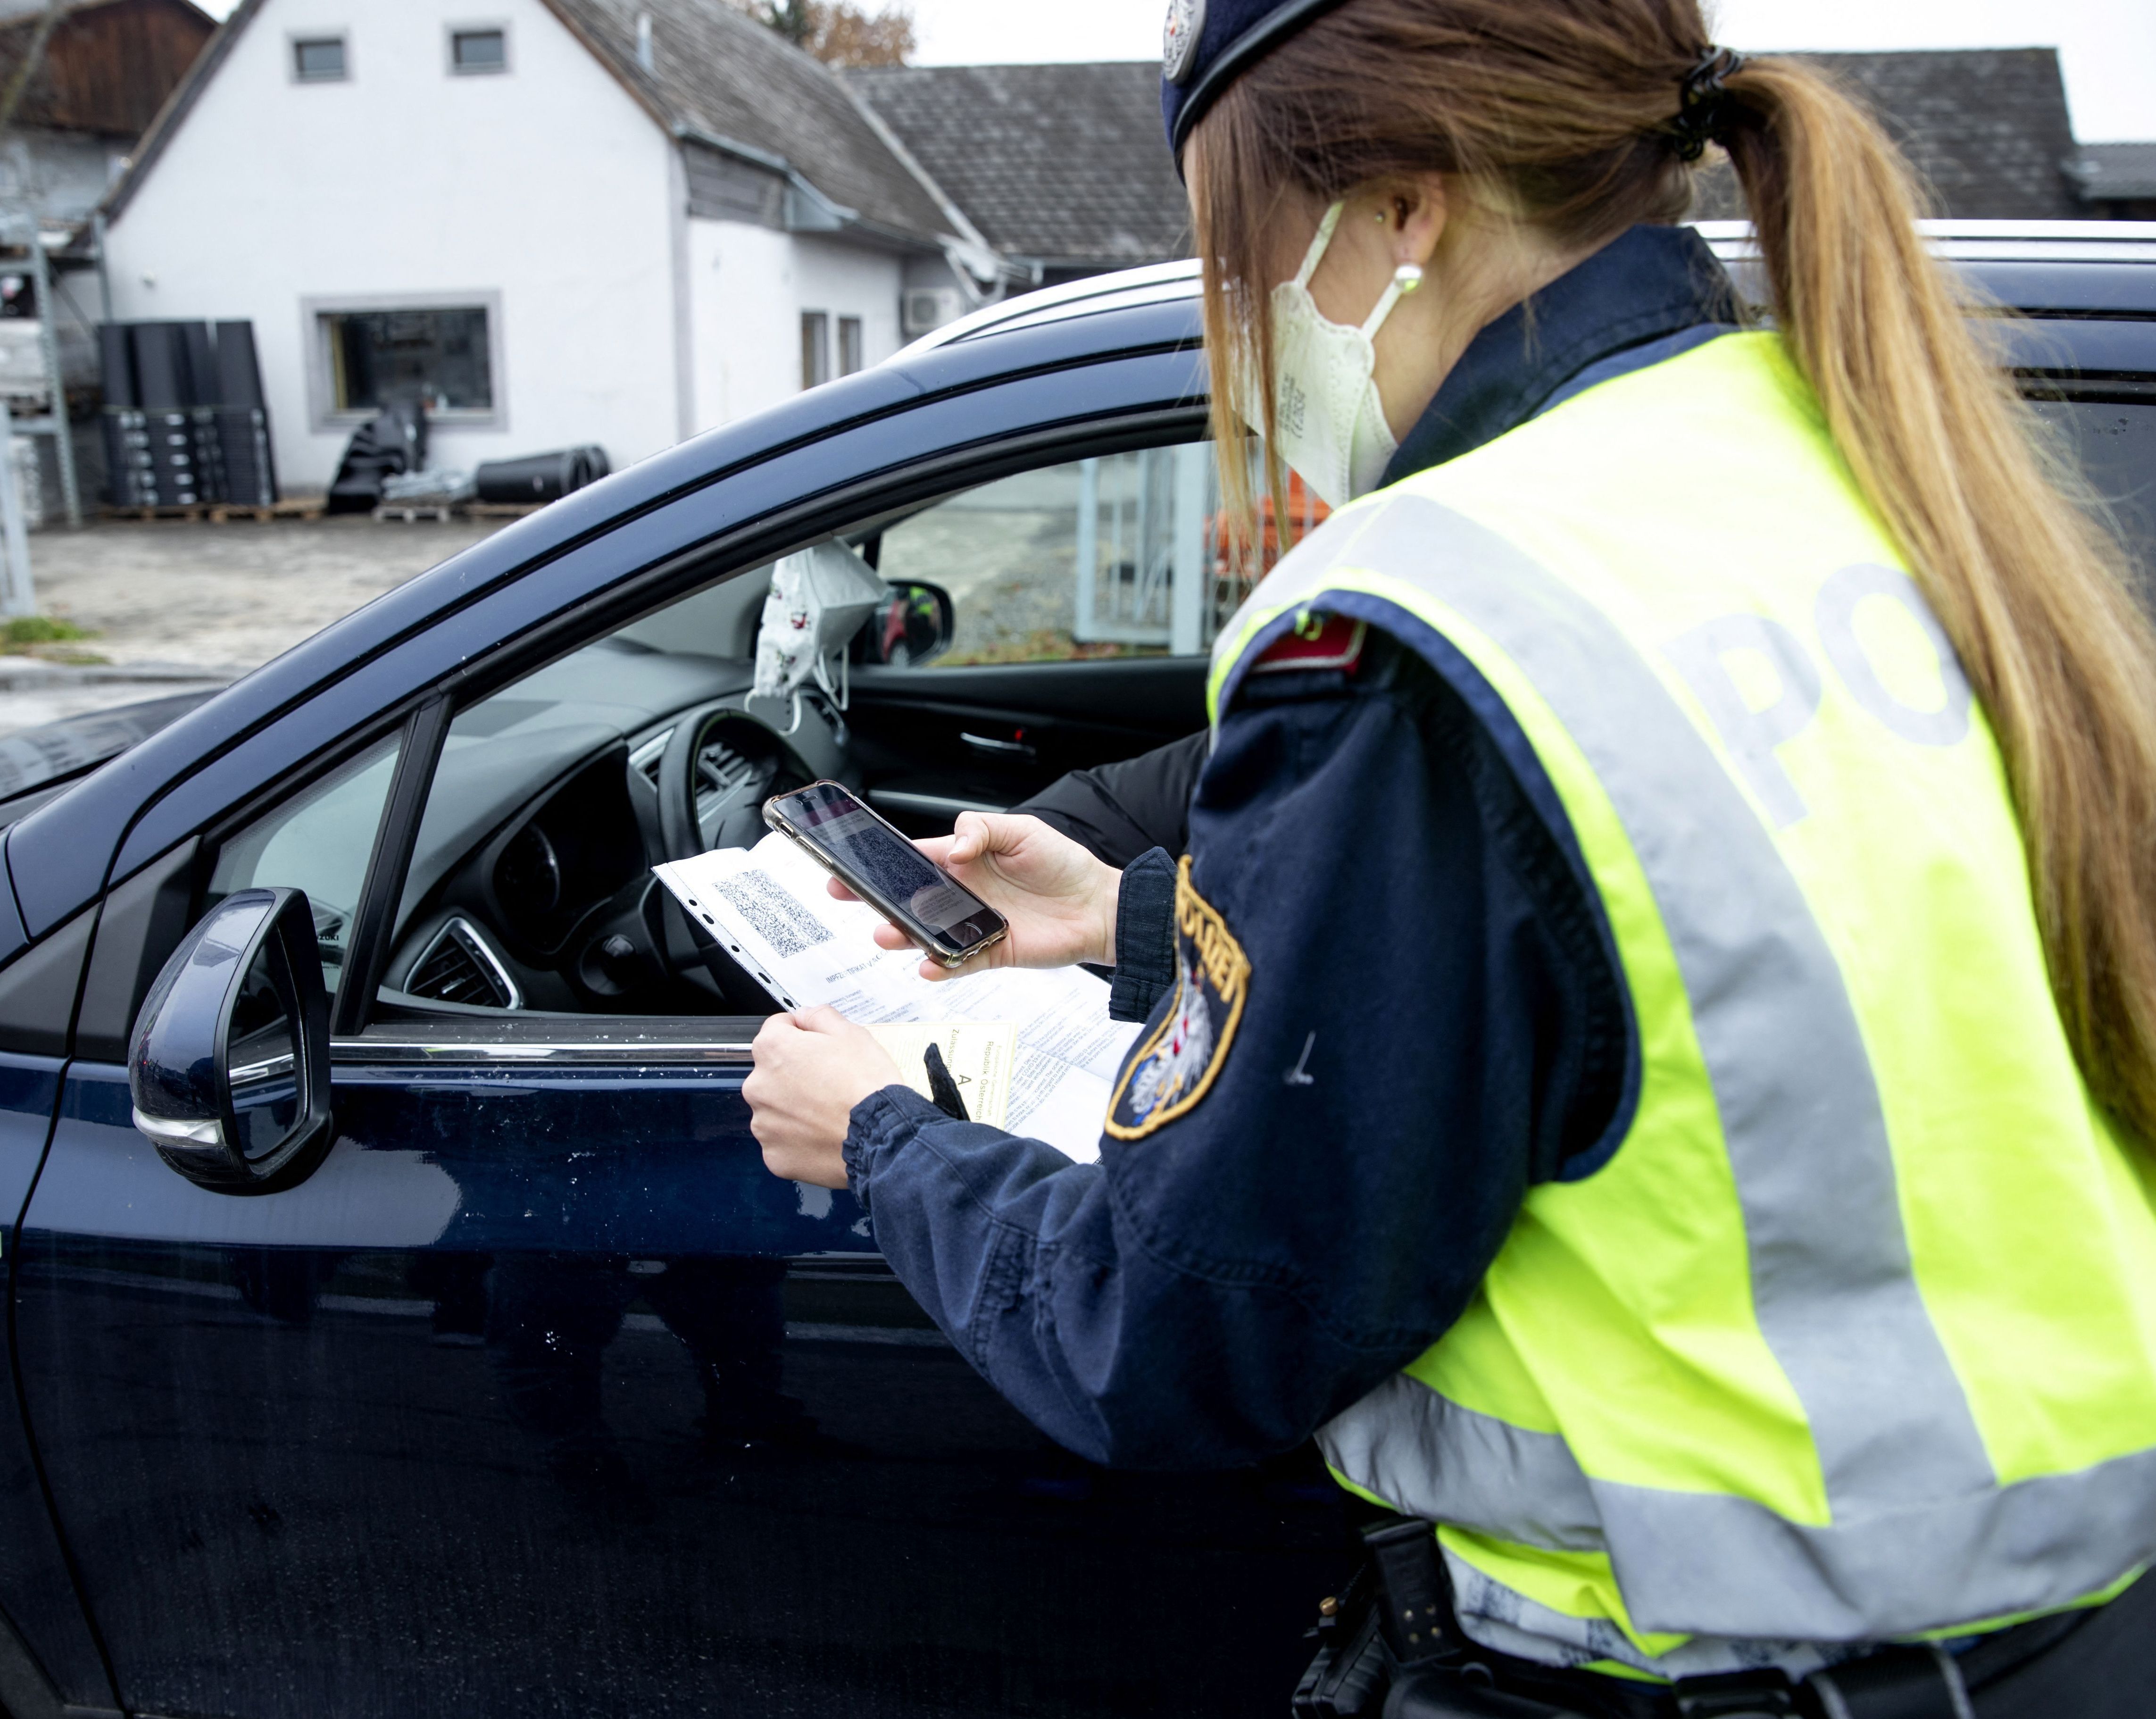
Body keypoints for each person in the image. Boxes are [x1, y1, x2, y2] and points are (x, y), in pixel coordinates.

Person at [742, 0, 2156, 1711]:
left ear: (1401, 208)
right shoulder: (1841, 459)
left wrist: (881, 1136)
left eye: (1239, 251)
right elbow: (1714, 936)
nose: (1246, 321)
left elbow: (1182, 1333)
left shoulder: (1428, 613)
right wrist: (1122, 915)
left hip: (1690, 1668)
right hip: (2064, 1627)